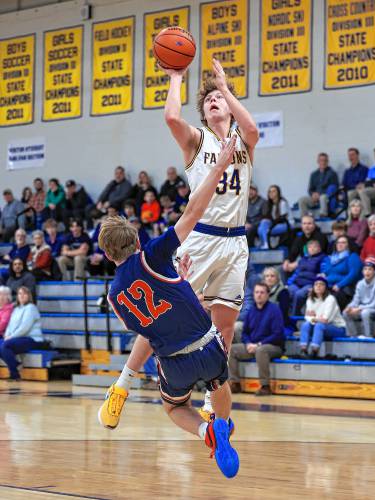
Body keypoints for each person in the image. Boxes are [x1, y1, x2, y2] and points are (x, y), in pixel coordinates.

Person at [97, 137, 239, 478]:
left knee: (175, 408)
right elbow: (193, 211)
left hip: (174, 363)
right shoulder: (155, 254)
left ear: (106, 254)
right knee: (220, 385)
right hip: (208, 348)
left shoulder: (115, 296)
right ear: (136, 240)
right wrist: (219, 166)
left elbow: (152, 326)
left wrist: (180, 284)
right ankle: (220, 424)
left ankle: (203, 432)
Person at [164, 58, 259, 418]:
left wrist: (224, 86)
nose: (215, 101)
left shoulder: (243, 141)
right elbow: (172, 118)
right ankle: (130, 381)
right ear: (203, 115)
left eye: (220, 98)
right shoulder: (197, 140)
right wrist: (176, 78)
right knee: (172, 311)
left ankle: (211, 392)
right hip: (201, 238)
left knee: (227, 327)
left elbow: (251, 127)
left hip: (235, 242)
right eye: (209, 100)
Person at [228, 283, 284, 396]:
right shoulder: (251, 310)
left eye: (262, 292)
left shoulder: (274, 310)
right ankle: (235, 383)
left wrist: (258, 344)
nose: (259, 295)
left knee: (261, 350)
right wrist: (248, 343)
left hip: (273, 346)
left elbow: (277, 334)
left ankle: (265, 386)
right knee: (231, 349)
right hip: (253, 346)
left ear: (268, 295)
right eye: (257, 292)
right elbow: (245, 333)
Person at [0, 286, 43, 380]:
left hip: (31, 339)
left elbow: (25, 328)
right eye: (20, 293)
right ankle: (16, 364)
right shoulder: (16, 309)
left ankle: (14, 374)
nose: (22, 295)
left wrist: (11, 337)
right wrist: (7, 334)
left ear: (29, 296)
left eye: (24, 293)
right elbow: (10, 325)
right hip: (18, 338)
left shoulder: (31, 308)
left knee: (5, 345)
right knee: (2, 344)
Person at [299, 277, 345, 358]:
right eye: (316, 284)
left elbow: (326, 319)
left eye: (321, 284)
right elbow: (307, 317)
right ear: (313, 287)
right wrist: (315, 318)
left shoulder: (330, 299)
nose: (318, 286)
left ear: (325, 287)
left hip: (337, 328)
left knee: (319, 325)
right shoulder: (310, 299)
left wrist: (313, 317)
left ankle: (314, 351)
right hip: (319, 326)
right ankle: (303, 350)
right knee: (305, 324)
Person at [343, 259, 375, 338]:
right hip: (362, 308)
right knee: (346, 312)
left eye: (370, 269)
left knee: (365, 313)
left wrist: (359, 308)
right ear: (362, 271)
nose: (367, 272)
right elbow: (356, 300)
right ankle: (353, 335)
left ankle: (368, 336)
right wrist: (349, 307)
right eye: (365, 269)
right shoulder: (360, 283)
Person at [321, 235, 363, 310]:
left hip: (345, 288)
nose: (340, 244)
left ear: (348, 245)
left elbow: (353, 274)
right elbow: (327, 272)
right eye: (338, 242)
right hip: (330, 286)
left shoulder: (352, 256)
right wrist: (323, 275)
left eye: (343, 242)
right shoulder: (331, 258)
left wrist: (339, 285)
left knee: (331, 299)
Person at [287, 240, 327, 315]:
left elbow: (323, 273)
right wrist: (288, 283)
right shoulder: (303, 259)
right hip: (297, 283)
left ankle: (294, 316)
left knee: (299, 294)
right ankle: (287, 315)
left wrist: (316, 285)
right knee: (288, 291)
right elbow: (296, 273)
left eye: (314, 247)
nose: (312, 249)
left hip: (310, 284)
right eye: (310, 247)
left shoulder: (323, 258)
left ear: (319, 249)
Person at [298, 153, 339, 217]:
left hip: (326, 197)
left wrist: (319, 194)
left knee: (322, 197)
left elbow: (334, 188)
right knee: (302, 200)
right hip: (315, 198)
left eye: (325, 160)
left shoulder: (332, 173)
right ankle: (304, 218)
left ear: (328, 162)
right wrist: (313, 194)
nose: (323, 162)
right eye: (321, 160)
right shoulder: (313, 174)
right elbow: (310, 189)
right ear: (318, 161)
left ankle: (323, 216)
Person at [257, 185, 290, 249]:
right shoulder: (270, 204)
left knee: (262, 230)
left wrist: (270, 227)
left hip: (286, 224)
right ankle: (266, 243)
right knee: (262, 224)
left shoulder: (282, 203)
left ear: (278, 193)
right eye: (270, 191)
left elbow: (283, 219)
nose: (271, 193)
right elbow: (269, 218)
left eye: (274, 191)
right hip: (276, 224)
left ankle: (266, 243)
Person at [262, 267, 292, 335]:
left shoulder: (283, 292)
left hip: (280, 324)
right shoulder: (260, 292)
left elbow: (282, 313)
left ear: (277, 278)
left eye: (272, 276)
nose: (269, 278)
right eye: (267, 276)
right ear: (264, 279)